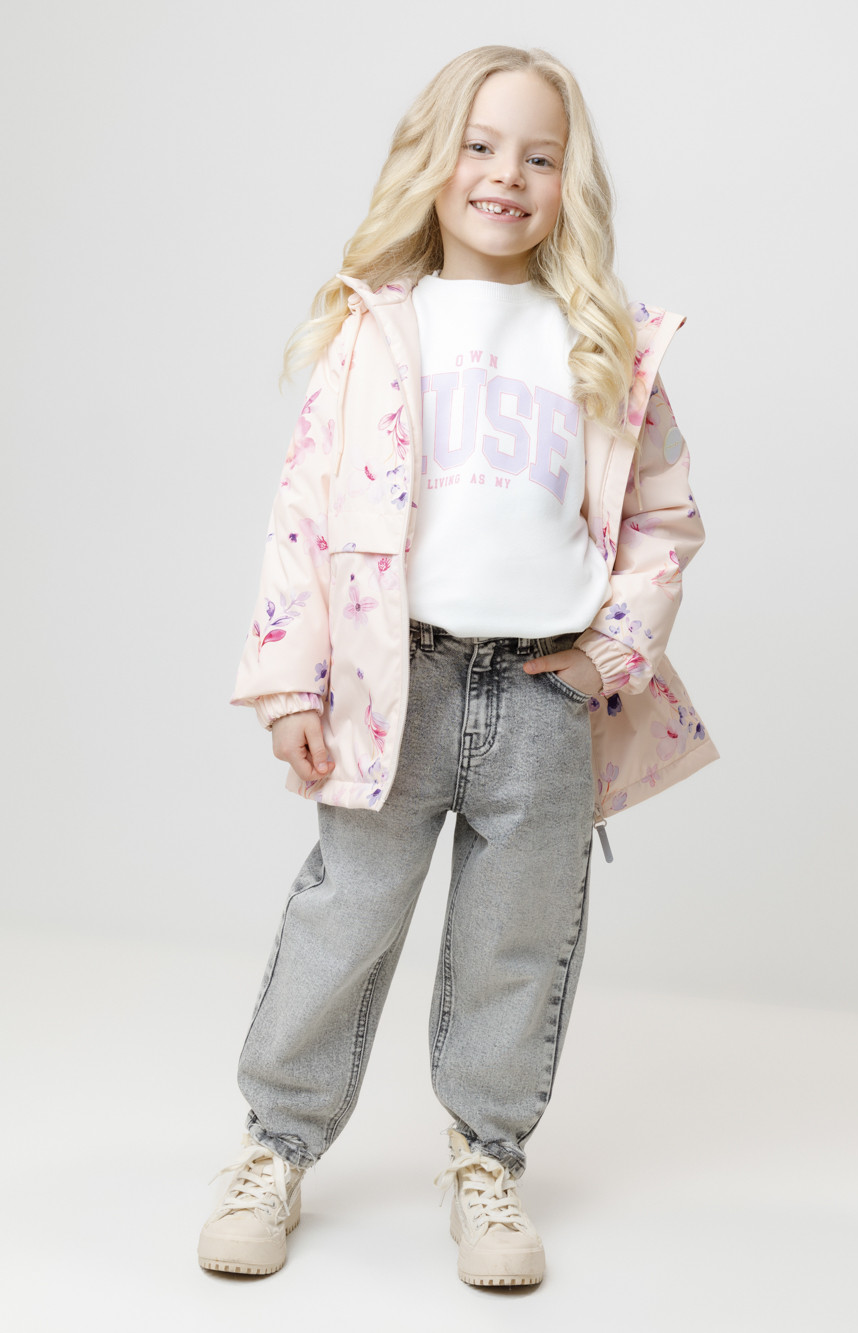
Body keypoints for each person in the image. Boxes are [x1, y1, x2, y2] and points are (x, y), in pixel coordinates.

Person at [198, 43, 719, 1288]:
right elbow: (303, 515)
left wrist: (610, 651)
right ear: (432, 164)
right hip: (397, 684)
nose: (505, 175)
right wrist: (291, 683)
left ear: (568, 183)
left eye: (539, 155)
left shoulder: (604, 340)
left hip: (544, 697)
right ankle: (276, 1145)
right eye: (480, 147)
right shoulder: (376, 329)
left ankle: (488, 1158)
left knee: (516, 941)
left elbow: (664, 517)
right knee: (344, 917)